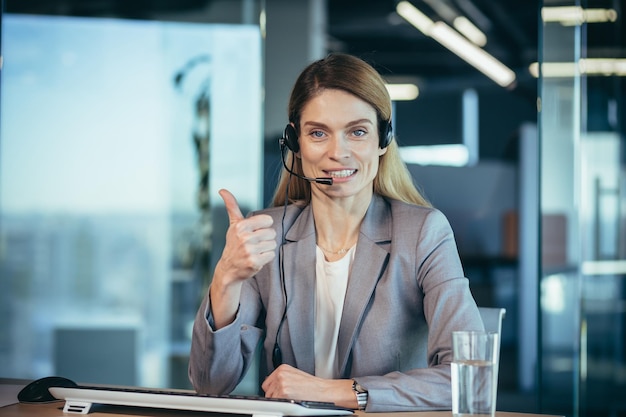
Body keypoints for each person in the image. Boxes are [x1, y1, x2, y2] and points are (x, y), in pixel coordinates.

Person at [188, 53, 484, 412]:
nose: (337, 153)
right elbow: (210, 385)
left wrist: (338, 391)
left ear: (383, 140)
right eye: (318, 133)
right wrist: (226, 278)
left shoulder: (422, 233)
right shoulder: (267, 234)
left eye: (357, 132)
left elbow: (471, 378)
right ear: (295, 143)